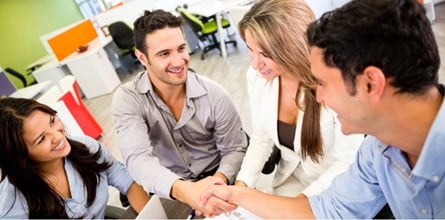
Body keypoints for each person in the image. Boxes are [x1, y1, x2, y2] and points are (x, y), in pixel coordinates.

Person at [199, 0, 445, 218]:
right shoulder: (376, 153)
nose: (319, 96)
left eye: (323, 83)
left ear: (371, 83)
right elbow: (328, 208)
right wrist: (237, 194)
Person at [111, 9, 248, 213]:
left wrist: (217, 183)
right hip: (171, 186)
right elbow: (137, 159)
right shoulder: (129, 99)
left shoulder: (214, 94)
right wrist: (185, 190)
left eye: (181, 48)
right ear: (142, 58)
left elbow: (234, 149)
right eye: (164, 54)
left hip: (218, 178)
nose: (178, 61)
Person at [234, 0, 364, 197]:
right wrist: (241, 187)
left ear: (292, 47)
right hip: (290, 181)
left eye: (265, 54)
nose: (256, 64)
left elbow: (347, 161)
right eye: (251, 50)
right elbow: (261, 138)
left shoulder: (337, 80)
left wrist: (299, 204)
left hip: (336, 187)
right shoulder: (257, 79)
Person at [0, 97, 149, 218]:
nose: (58, 136)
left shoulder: (86, 147)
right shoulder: (11, 207)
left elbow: (127, 182)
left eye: (52, 121)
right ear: (20, 155)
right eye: (41, 139)